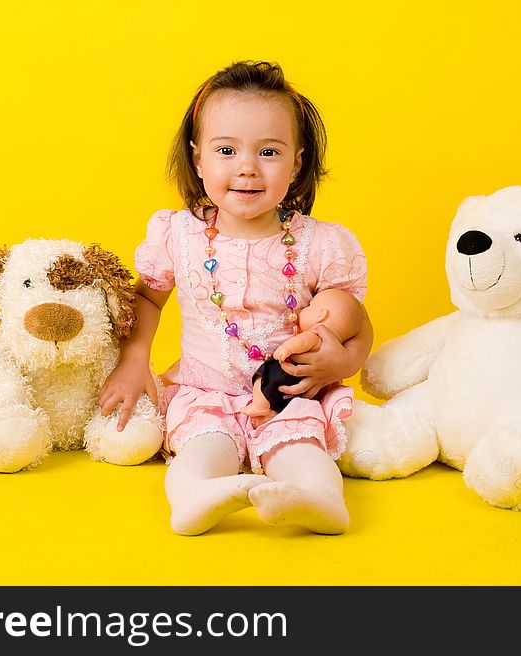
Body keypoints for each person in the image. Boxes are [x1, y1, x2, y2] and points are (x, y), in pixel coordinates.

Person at [99, 60, 373, 536]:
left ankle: (320, 502)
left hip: (288, 392)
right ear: (198, 159)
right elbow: (147, 299)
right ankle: (197, 497)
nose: (247, 167)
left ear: (298, 162)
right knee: (203, 448)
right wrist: (134, 358)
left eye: (269, 151)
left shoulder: (321, 244)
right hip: (206, 388)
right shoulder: (178, 234)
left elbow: (358, 321)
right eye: (226, 150)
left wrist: (342, 363)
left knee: (302, 452)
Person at [241, 288, 366, 429]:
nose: (303, 309)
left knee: (262, 378)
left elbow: (302, 342)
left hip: (288, 370)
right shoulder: (332, 345)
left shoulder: (316, 334)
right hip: (303, 378)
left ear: (321, 315)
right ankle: (273, 413)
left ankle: (260, 406)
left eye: (309, 306)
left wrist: (285, 349)